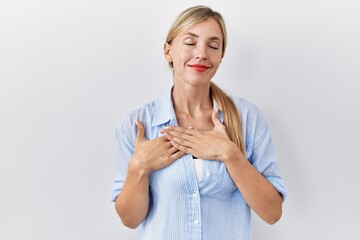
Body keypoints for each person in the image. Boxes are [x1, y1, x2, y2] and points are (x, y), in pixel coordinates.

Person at [112, 5, 286, 240]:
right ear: (168, 51)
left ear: (221, 56)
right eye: (190, 42)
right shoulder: (137, 125)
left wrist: (230, 154)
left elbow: (272, 212)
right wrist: (138, 167)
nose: (202, 53)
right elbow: (130, 219)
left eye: (213, 46)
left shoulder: (248, 118)